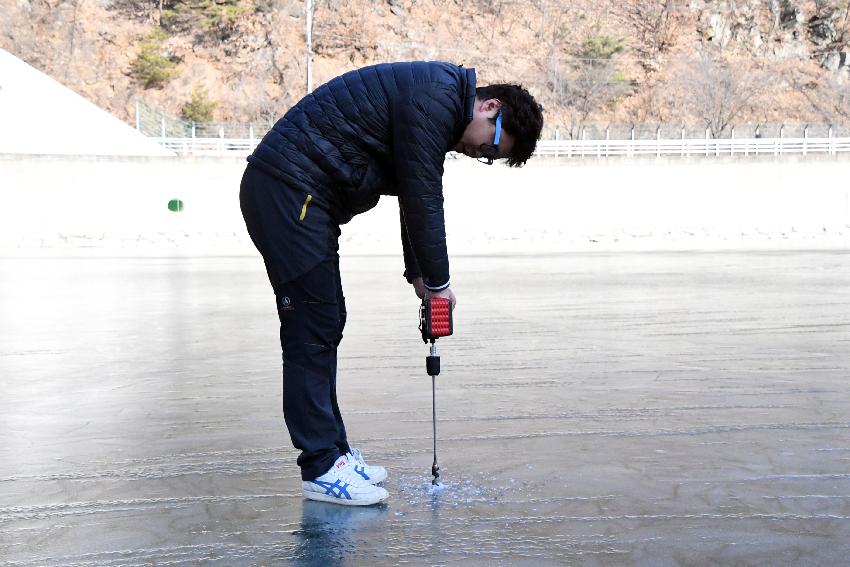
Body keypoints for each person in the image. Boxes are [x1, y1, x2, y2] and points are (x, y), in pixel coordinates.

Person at [240, 61, 544, 506]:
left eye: (489, 158)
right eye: (490, 148)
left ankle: (335, 454)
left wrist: (420, 275)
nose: (480, 154)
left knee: (326, 321)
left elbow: (410, 188)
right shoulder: (436, 96)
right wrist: (439, 284)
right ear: (490, 107)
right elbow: (424, 197)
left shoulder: (437, 101)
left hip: (300, 196)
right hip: (289, 191)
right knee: (313, 326)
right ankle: (321, 466)